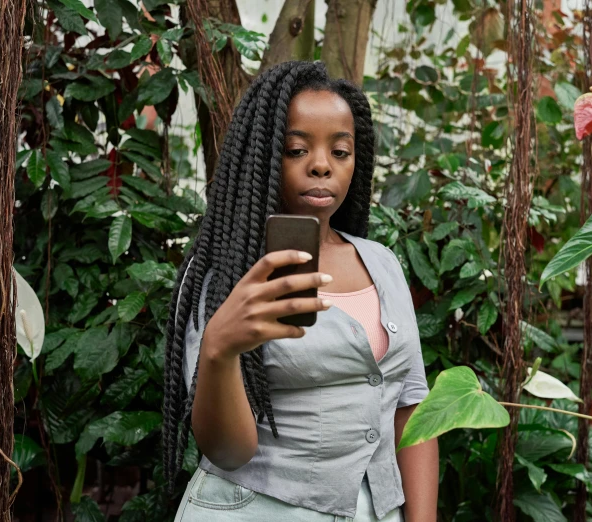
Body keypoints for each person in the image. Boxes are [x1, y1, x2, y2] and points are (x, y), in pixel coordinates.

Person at [164, 61, 438, 522]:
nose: (320, 165)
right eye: (296, 150)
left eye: (340, 152)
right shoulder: (222, 276)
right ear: (263, 156)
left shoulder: (383, 263)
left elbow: (412, 409)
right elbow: (228, 451)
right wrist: (219, 350)